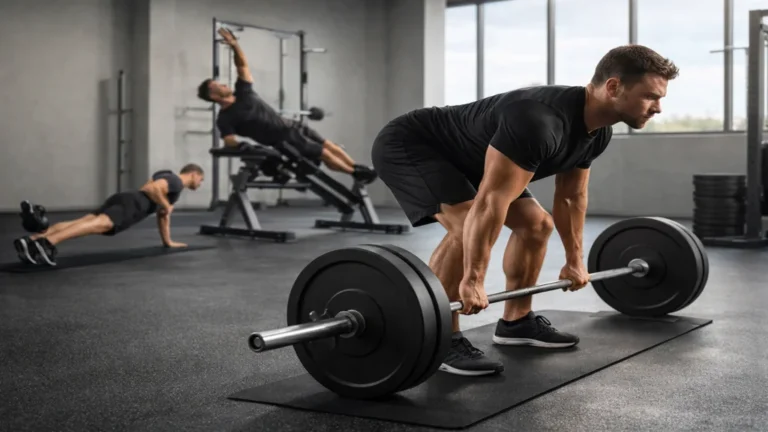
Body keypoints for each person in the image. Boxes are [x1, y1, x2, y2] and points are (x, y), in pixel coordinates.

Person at [371, 45, 679, 376]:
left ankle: (516, 322)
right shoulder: (539, 120)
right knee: (465, 228)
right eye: (651, 97)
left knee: (537, 225)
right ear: (614, 87)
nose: (658, 107)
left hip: (474, 160)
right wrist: (473, 279)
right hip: (414, 144)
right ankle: (443, 337)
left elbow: (571, 198)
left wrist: (575, 260)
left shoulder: (597, 132)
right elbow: (490, 203)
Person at [197, 28, 377, 185]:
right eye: (217, 85)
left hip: (292, 125)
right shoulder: (225, 118)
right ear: (212, 95)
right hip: (284, 139)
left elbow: (242, 65)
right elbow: (228, 140)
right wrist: (242, 146)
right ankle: (355, 174)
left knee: (330, 146)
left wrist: (234, 45)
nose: (223, 84)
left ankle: (357, 168)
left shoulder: (242, 91)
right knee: (324, 154)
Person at [13, 164, 205, 267]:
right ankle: (47, 243)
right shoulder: (177, 182)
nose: (200, 184)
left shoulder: (168, 176)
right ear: (194, 174)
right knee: (99, 225)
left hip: (126, 197)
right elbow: (153, 188)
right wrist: (166, 204)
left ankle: (34, 239)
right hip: (137, 203)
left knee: (84, 221)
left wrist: (168, 242)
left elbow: (163, 216)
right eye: (201, 180)